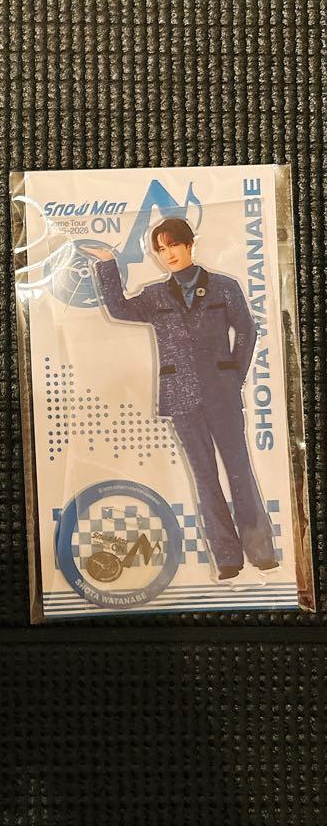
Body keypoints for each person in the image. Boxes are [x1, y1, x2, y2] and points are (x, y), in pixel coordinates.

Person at [84, 219, 278, 580]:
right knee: (204, 476)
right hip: (180, 397)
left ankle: (261, 551)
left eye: (173, 244)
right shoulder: (155, 295)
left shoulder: (224, 287)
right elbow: (119, 309)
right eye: (160, 249)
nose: (168, 254)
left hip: (222, 393)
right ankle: (228, 558)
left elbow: (246, 330)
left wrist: (233, 376)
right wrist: (108, 264)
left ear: (189, 244)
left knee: (239, 469)